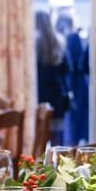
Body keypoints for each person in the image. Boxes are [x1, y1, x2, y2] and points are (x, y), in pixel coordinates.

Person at [35, 10, 70, 143]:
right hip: (57, 93)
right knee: (57, 138)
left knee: (41, 136)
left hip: (41, 93)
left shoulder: (35, 41)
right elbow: (67, 68)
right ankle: (60, 163)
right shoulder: (59, 40)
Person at [56, 9, 89, 144]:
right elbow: (79, 62)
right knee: (79, 116)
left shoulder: (56, 37)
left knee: (67, 119)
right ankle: (77, 144)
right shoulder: (73, 37)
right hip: (77, 81)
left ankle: (67, 145)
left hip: (65, 82)